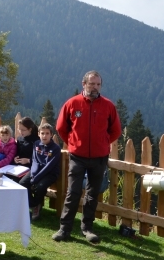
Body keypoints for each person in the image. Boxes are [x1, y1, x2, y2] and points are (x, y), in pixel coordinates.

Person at [52, 70, 122, 243]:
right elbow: (61, 128)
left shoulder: (108, 106)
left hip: (99, 158)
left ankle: (87, 228)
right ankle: (64, 229)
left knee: (92, 194)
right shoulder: (72, 103)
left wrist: (103, 143)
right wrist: (73, 143)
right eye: (92, 84)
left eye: (98, 84)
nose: (95, 87)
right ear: (84, 84)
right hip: (77, 156)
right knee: (73, 192)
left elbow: (116, 130)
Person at [19, 123, 60, 220]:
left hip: (50, 173)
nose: (44, 136)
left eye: (47, 133)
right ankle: (34, 204)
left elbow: (49, 166)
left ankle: (35, 206)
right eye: (42, 133)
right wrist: (33, 174)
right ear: (39, 134)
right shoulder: (37, 144)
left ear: (51, 135)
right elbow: (35, 161)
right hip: (36, 171)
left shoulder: (55, 148)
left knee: (40, 187)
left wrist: (36, 178)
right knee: (22, 183)